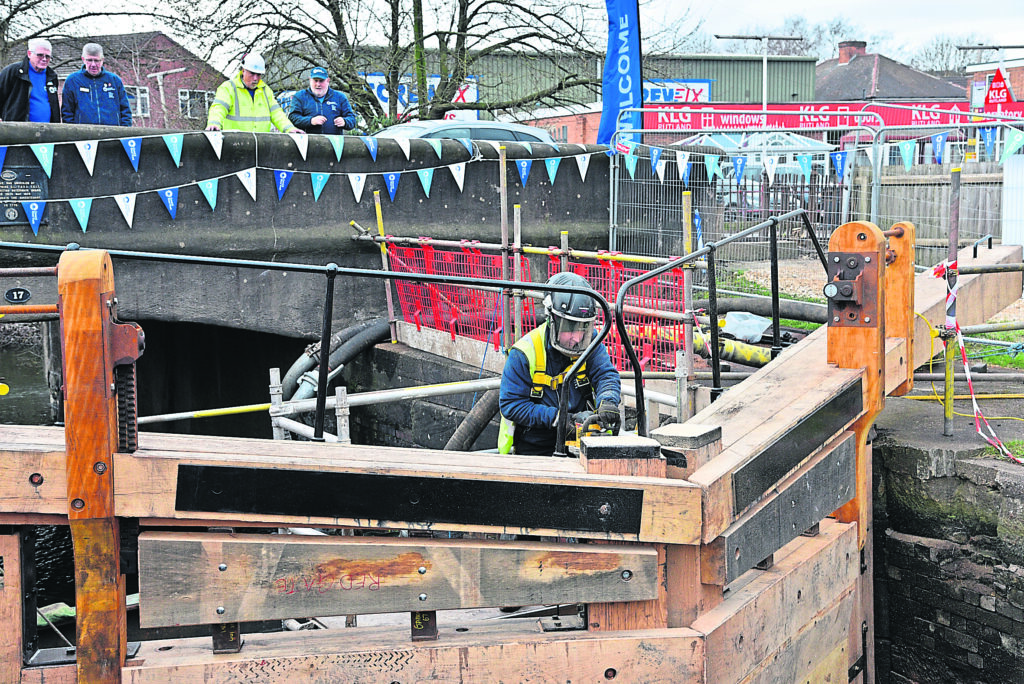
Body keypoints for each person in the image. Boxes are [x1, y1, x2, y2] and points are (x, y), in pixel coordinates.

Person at [498, 272, 621, 456]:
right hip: (536, 446)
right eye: (569, 328)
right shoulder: (523, 353)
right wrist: (559, 418)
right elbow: (511, 404)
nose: (577, 338)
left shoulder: (591, 341)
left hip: (581, 439)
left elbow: (605, 374)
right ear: (552, 320)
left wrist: (608, 400)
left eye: (583, 328)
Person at [206, 52, 301, 133]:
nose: (255, 78)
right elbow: (219, 108)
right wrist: (214, 123)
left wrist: (289, 129)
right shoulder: (229, 88)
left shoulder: (265, 90)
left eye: (258, 74)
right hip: (235, 144)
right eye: (252, 73)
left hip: (261, 144)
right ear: (243, 70)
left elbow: (276, 113)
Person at [60, 44, 132, 126]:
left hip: (112, 134)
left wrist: (125, 131)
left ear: (102, 60)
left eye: (97, 60)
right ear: (83, 59)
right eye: (89, 60)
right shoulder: (72, 81)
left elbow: (125, 111)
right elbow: (67, 113)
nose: (93, 65)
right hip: (84, 135)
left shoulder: (114, 81)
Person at [0, 38, 60, 123]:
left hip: (47, 131)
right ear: (29, 54)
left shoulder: (52, 76)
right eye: (40, 55)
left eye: (47, 56)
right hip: (18, 131)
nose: (44, 59)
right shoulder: (13, 72)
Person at [288, 66, 357, 135]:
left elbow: (352, 119)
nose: (318, 84)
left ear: (328, 81)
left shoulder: (339, 97)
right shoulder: (300, 96)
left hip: (334, 143)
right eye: (315, 80)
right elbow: (293, 118)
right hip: (308, 142)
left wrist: (345, 121)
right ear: (310, 80)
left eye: (321, 81)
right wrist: (310, 121)